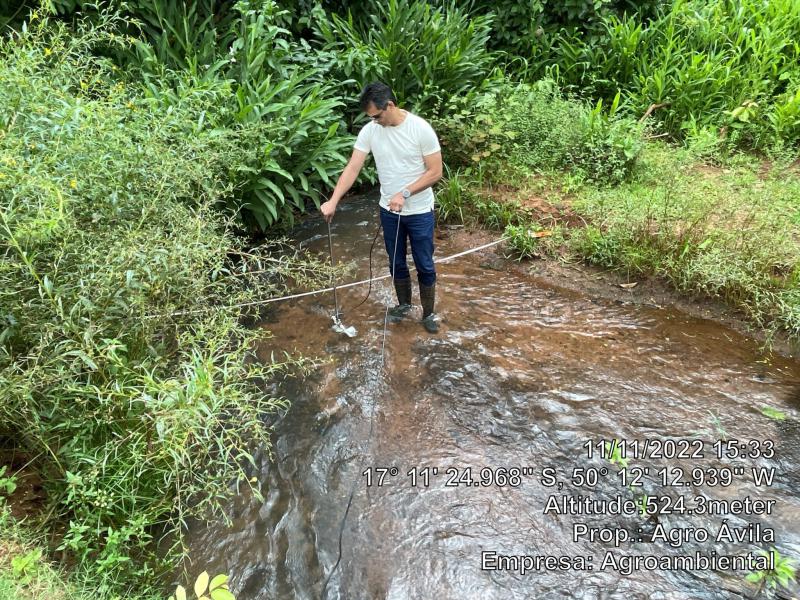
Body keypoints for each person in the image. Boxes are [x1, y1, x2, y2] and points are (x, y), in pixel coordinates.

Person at [320, 82, 443, 334]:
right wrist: (333, 200)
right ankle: (404, 305)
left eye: (377, 116)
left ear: (390, 105)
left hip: (419, 211)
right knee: (395, 263)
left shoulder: (420, 129)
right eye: (370, 118)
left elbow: (435, 172)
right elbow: (353, 167)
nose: (374, 121)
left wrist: (405, 192)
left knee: (424, 264)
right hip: (389, 211)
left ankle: (429, 313)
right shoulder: (370, 130)